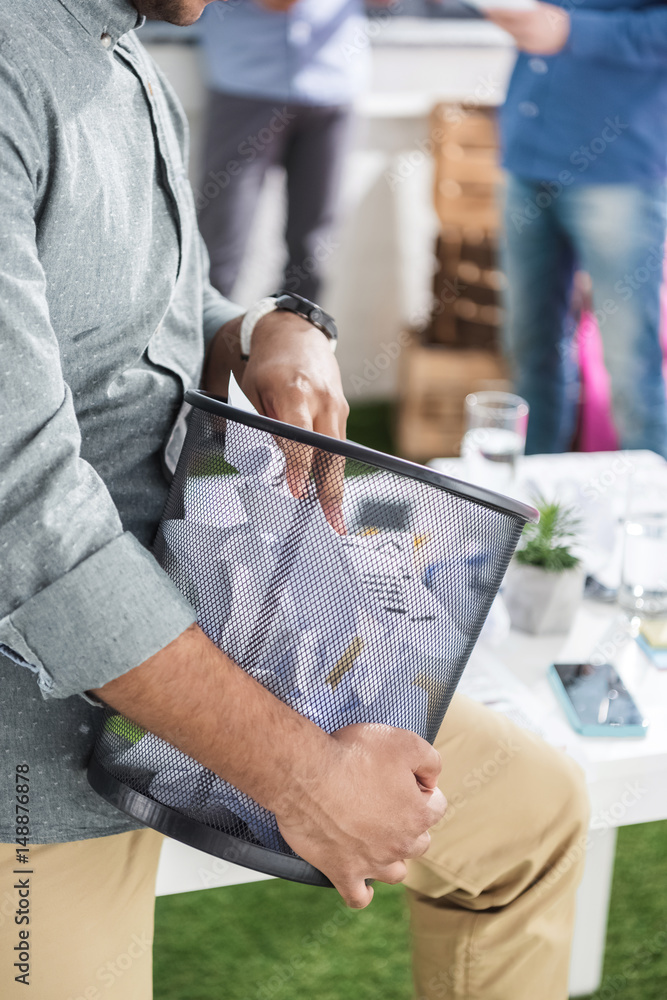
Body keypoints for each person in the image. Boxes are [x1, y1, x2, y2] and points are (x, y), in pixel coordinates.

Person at [0, 1, 588, 998]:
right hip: (30, 755)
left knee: (532, 821)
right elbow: (24, 518)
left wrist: (268, 328)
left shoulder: (124, 52)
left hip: (225, 628)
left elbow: (152, 308)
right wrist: (302, 774)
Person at [486, 0, 667, 459]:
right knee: (530, 351)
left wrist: (573, 31)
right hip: (526, 161)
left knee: (631, 366)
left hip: (619, 171)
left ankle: (654, 499)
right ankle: (531, 495)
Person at [196, 0, 367, 300]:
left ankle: (298, 326)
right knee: (222, 240)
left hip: (333, 84)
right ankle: (209, 327)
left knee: (312, 250)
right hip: (247, 85)